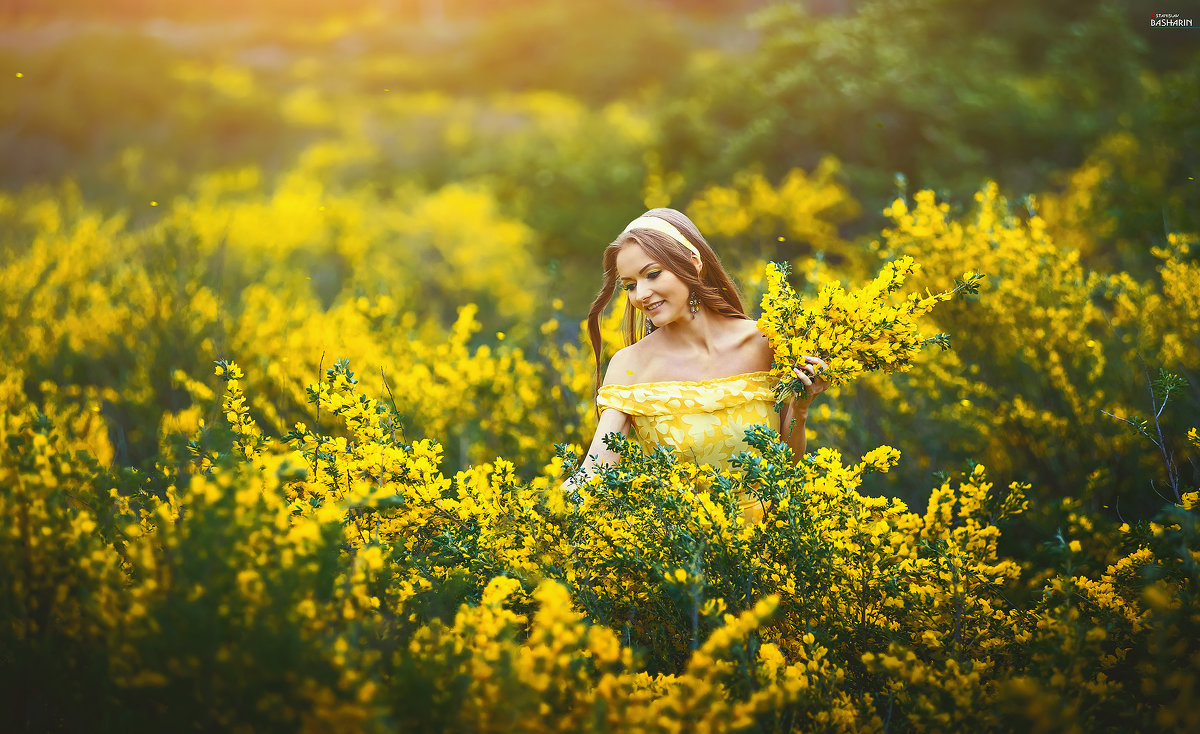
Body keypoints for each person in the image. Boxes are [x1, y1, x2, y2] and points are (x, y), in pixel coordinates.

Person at [566, 207, 828, 520]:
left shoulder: (766, 342)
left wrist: (800, 408)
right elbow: (594, 474)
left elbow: (786, 462)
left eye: (652, 274)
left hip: (769, 549)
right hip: (683, 559)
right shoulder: (630, 366)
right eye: (630, 285)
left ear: (693, 263)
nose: (641, 295)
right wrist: (549, 505)